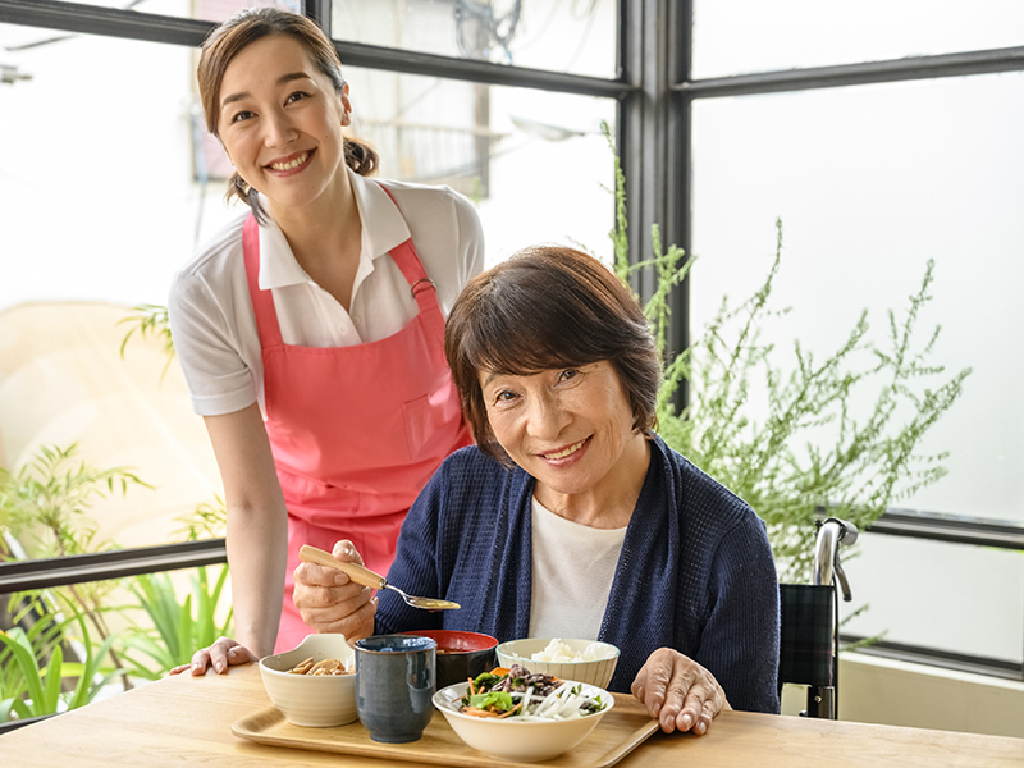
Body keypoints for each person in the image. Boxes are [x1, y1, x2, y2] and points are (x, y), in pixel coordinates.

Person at [289, 245, 781, 734]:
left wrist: (706, 695)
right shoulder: (460, 491)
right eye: (508, 394)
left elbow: (752, 741)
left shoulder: (726, 540)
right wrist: (354, 626)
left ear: (627, 367)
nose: (545, 425)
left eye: (567, 374)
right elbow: (395, 651)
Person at [166, 7, 483, 667]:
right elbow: (253, 500)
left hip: (455, 556)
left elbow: (491, 424)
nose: (278, 132)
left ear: (341, 101)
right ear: (222, 139)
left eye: (296, 96)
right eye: (244, 114)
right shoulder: (210, 289)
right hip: (318, 587)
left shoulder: (445, 225)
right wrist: (250, 645)